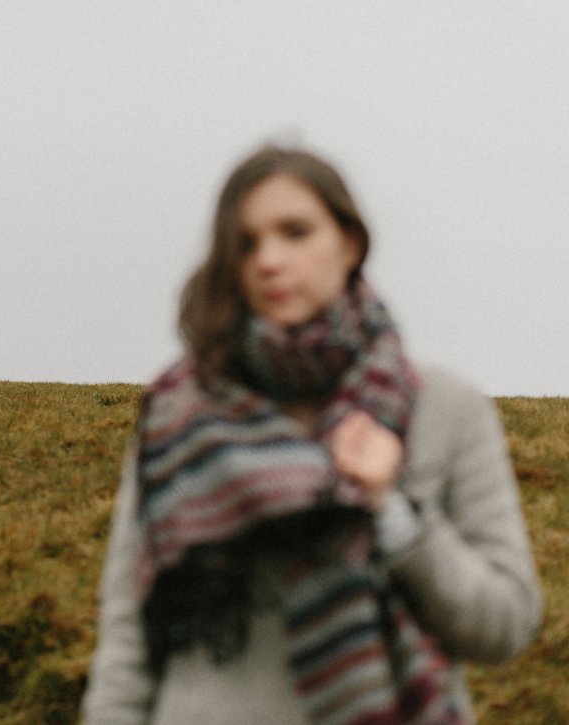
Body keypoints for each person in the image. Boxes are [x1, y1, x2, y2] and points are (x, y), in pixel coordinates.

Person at [80, 146, 542, 724]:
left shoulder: (445, 408)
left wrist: (394, 514)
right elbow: (128, 643)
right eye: (246, 243)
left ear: (349, 243)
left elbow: (506, 624)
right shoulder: (180, 416)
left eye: (295, 232)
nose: (269, 260)